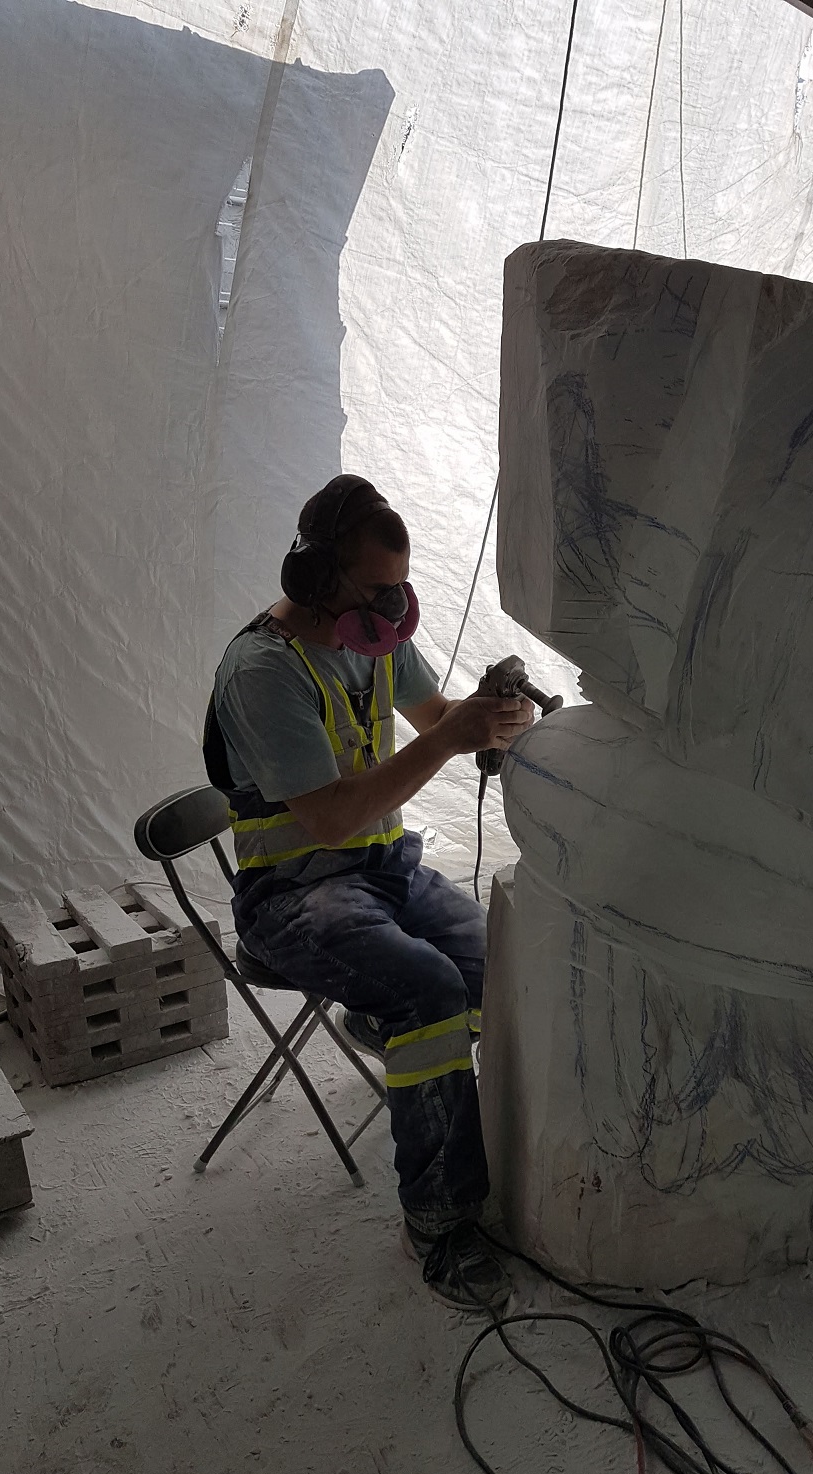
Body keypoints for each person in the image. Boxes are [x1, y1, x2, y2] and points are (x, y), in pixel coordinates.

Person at [203, 474, 533, 1311]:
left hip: (384, 872)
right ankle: (438, 1223)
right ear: (317, 577)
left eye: (401, 586)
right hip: (292, 896)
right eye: (378, 589)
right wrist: (452, 738)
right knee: (427, 988)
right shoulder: (262, 670)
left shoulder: (377, 637)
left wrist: (492, 719)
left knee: (503, 964)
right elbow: (331, 818)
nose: (395, 606)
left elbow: (436, 715)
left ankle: (384, 1026)